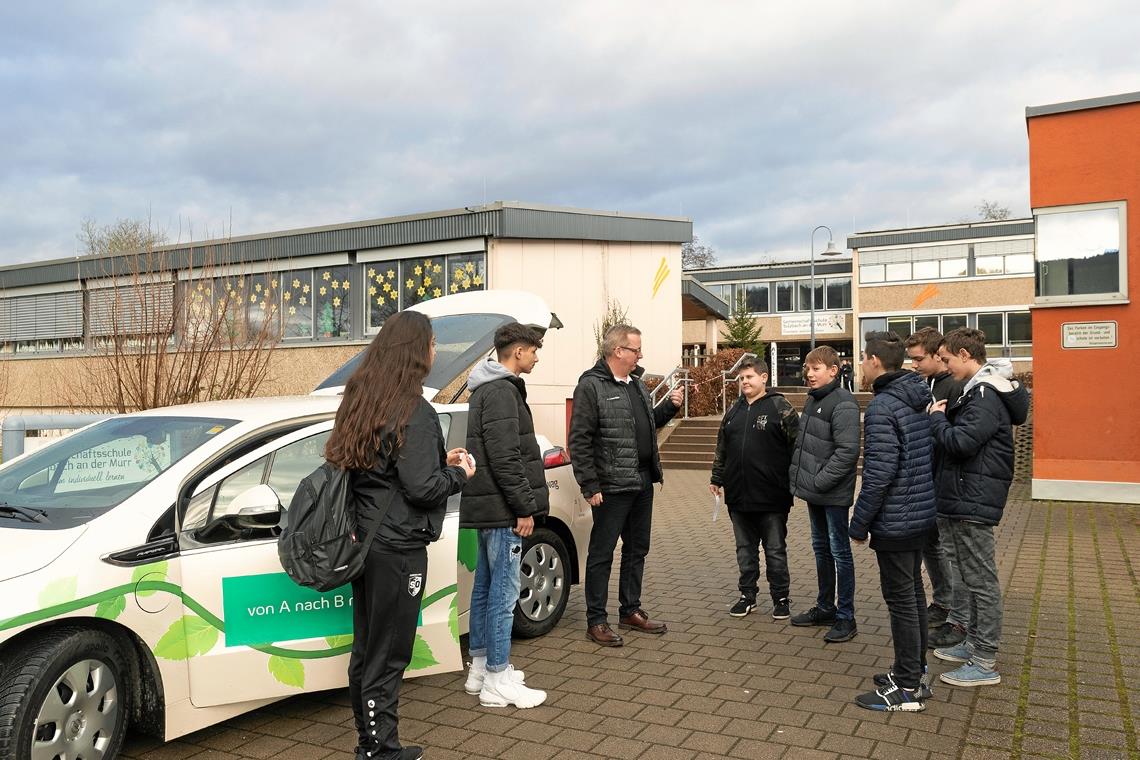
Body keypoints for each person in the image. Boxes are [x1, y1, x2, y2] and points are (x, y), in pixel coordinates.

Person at [324, 310, 475, 760]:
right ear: (416, 352)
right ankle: (381, 750)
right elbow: (423, 488)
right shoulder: (415, 409)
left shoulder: (362, 397)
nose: (434, 351)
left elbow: (382, 471)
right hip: (399, 549)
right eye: (430, 343)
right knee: (388, 656)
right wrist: (459, 473)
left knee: (368, 650)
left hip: (366, 543)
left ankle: (369, 743)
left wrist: (436, 461)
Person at [569, 323, 683, 647]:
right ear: (618, 350)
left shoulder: (637, 385)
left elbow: (646, 425)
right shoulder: (591, 386)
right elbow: (579, 440)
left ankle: (630, 610)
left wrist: (669, 408)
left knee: (637, 549)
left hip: (643, 482)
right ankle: (596, 621)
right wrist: (590, 486)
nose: (640, 355)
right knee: (602, 553)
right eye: (636, 349)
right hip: (612, 486)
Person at [928, 327, 1029, 688]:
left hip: (973, 499)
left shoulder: (985, 394)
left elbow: (962, 442)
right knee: (969, 576)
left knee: (981, 580)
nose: (946, 366)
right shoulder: (977, 391)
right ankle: (972, 642)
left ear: (966, 356)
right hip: (962, 497)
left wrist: (937, 418)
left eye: (948, 359)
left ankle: (985, 661)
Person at [460, 323, 549, 709]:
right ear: (517, 352)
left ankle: (481, 668)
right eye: (533, 350)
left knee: (485, 588)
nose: (536, 356)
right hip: (502, 510)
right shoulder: (500, 391)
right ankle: (497, 677)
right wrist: (523, 507)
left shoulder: (486, 388)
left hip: (489, 507)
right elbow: (505, 457)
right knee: (504, 592)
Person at [849, 331, 937, 712]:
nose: (860, 366)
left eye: (861, 359)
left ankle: (906, 688)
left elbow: (880, 472)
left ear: (872, 361)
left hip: (897, 519)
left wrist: (859, 522)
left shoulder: (884, 405)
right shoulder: (916, 395)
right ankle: (914, 671)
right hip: (918, 513)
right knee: (913, 595)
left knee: (901, 600)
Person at [709, 357, 800, 620]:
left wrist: (792, 482)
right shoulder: (733, 412)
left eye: (750, 377)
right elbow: (721, 449)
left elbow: (798, 446)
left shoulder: (780, 407)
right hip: (738, 496)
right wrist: (717, 478)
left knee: (774, 550)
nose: (745, 382)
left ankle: (781, 598)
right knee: (745, 550)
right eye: (741, 378)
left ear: (764, 378)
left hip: (773, 496)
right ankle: (747, 596)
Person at [788, 345, 861, 642]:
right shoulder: (815, 399)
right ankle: (824, 607)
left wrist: (818, 481)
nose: (809, 373)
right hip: (816, 492)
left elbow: (847, 453)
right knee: (821, 550)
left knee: (839, 552)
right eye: (807, 368)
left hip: (830, 493)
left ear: (833, 370)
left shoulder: (842, 403)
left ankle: (846, 616)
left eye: (816, 368)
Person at [904, 328, 965, 641]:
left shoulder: (953, 386)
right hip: (925, 476)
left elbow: (953, 434)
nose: (914, 365)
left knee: (947, 547)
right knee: (930, 543)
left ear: (935, 354)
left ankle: (956, 611)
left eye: (918, 359)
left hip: (944, 478)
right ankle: (942, 601)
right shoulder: (923, 382)